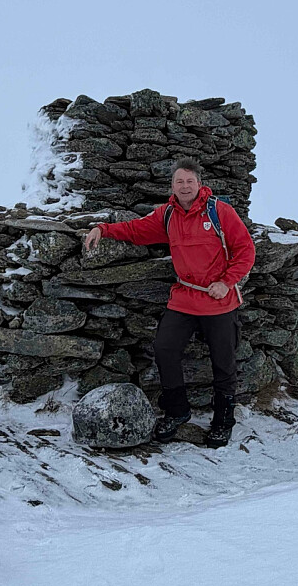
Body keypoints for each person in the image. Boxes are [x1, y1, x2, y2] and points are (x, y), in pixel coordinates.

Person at [84, 158, 256, 447]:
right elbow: (137, 230)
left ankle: (223, 420)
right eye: (179, 181)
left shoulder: (219, 212)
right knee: (164, 349)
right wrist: (103, 229)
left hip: (219, 300)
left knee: (224, 361)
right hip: (184, 297)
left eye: (189, 181)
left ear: (199, 184)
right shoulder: (167, 214)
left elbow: (246, 250)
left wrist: (226, 282)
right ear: (172, 186)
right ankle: (177, 411)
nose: (185, 186)